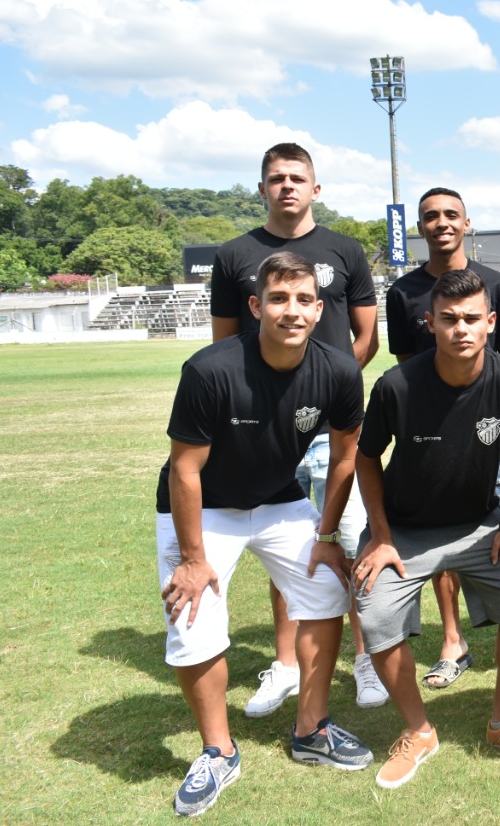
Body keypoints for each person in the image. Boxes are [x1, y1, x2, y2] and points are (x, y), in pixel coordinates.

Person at [159, 253, 373, 817]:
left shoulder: (340, 370)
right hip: (206, 507)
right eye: (278, 299)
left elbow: (346, 457)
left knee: (327, 592)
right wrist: (192, 558)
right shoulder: (210, 369)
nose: (291, 311)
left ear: (319, 308)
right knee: (193, 618)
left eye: (304, 300)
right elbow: (185, 469)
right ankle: (217, 751)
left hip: (279, 500)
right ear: (256, 307)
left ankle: (312, 729)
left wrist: (327, 535)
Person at [353, 268, 500, 789]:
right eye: (448, 319)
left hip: (479, 524)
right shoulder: (397, 384)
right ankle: (418, 731)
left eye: (470, 319)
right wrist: (380, 534)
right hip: (404, 531)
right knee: (373, 613)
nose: (460, 329)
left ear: (490, 322)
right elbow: (366, 459)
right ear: (430, 323)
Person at [209, 142, 385, 714]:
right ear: (261, 188)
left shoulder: (344, 250)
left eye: (297, 177)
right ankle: (285, 665)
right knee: (283, 544)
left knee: (352, 540)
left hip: (334, 424)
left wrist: (324, 392)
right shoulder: (235, 255)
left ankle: (365, 660)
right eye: (276, 178)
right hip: (265, 429)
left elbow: (366, 338)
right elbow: (224, 345)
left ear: (316, 188)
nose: (287, 186)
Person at [383, 187, 500, 690]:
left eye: (451, 214)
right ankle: (452, 639)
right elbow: (410, 371)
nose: (441, 223)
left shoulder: (498, 285)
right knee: (440, 538)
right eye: (430, 216)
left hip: (495, 438)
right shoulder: (404, 291)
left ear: (467, 223)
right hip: (430, 438)